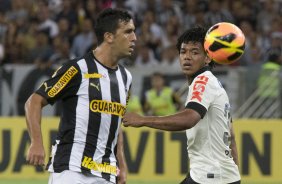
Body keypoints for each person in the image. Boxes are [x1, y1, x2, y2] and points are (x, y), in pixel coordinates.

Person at [25, 8, 137, 184]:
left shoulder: (126, 78)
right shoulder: (77, 69)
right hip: (72, 169)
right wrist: (36, 142)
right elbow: (34, 101)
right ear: (109, 36)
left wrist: (121, 164)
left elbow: (115, 123)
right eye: (128, 32)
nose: (134, 38)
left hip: (106, 172)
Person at [123, 26, 241, 184]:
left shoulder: (203, 81)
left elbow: (189, 118)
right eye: (183, 51)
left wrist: (143, 120)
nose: (187, 57)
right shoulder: (215, 85)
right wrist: (234, 176)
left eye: (195, 52)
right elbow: (231, 137)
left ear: (207, 58)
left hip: (210, 177)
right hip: (220, 176)